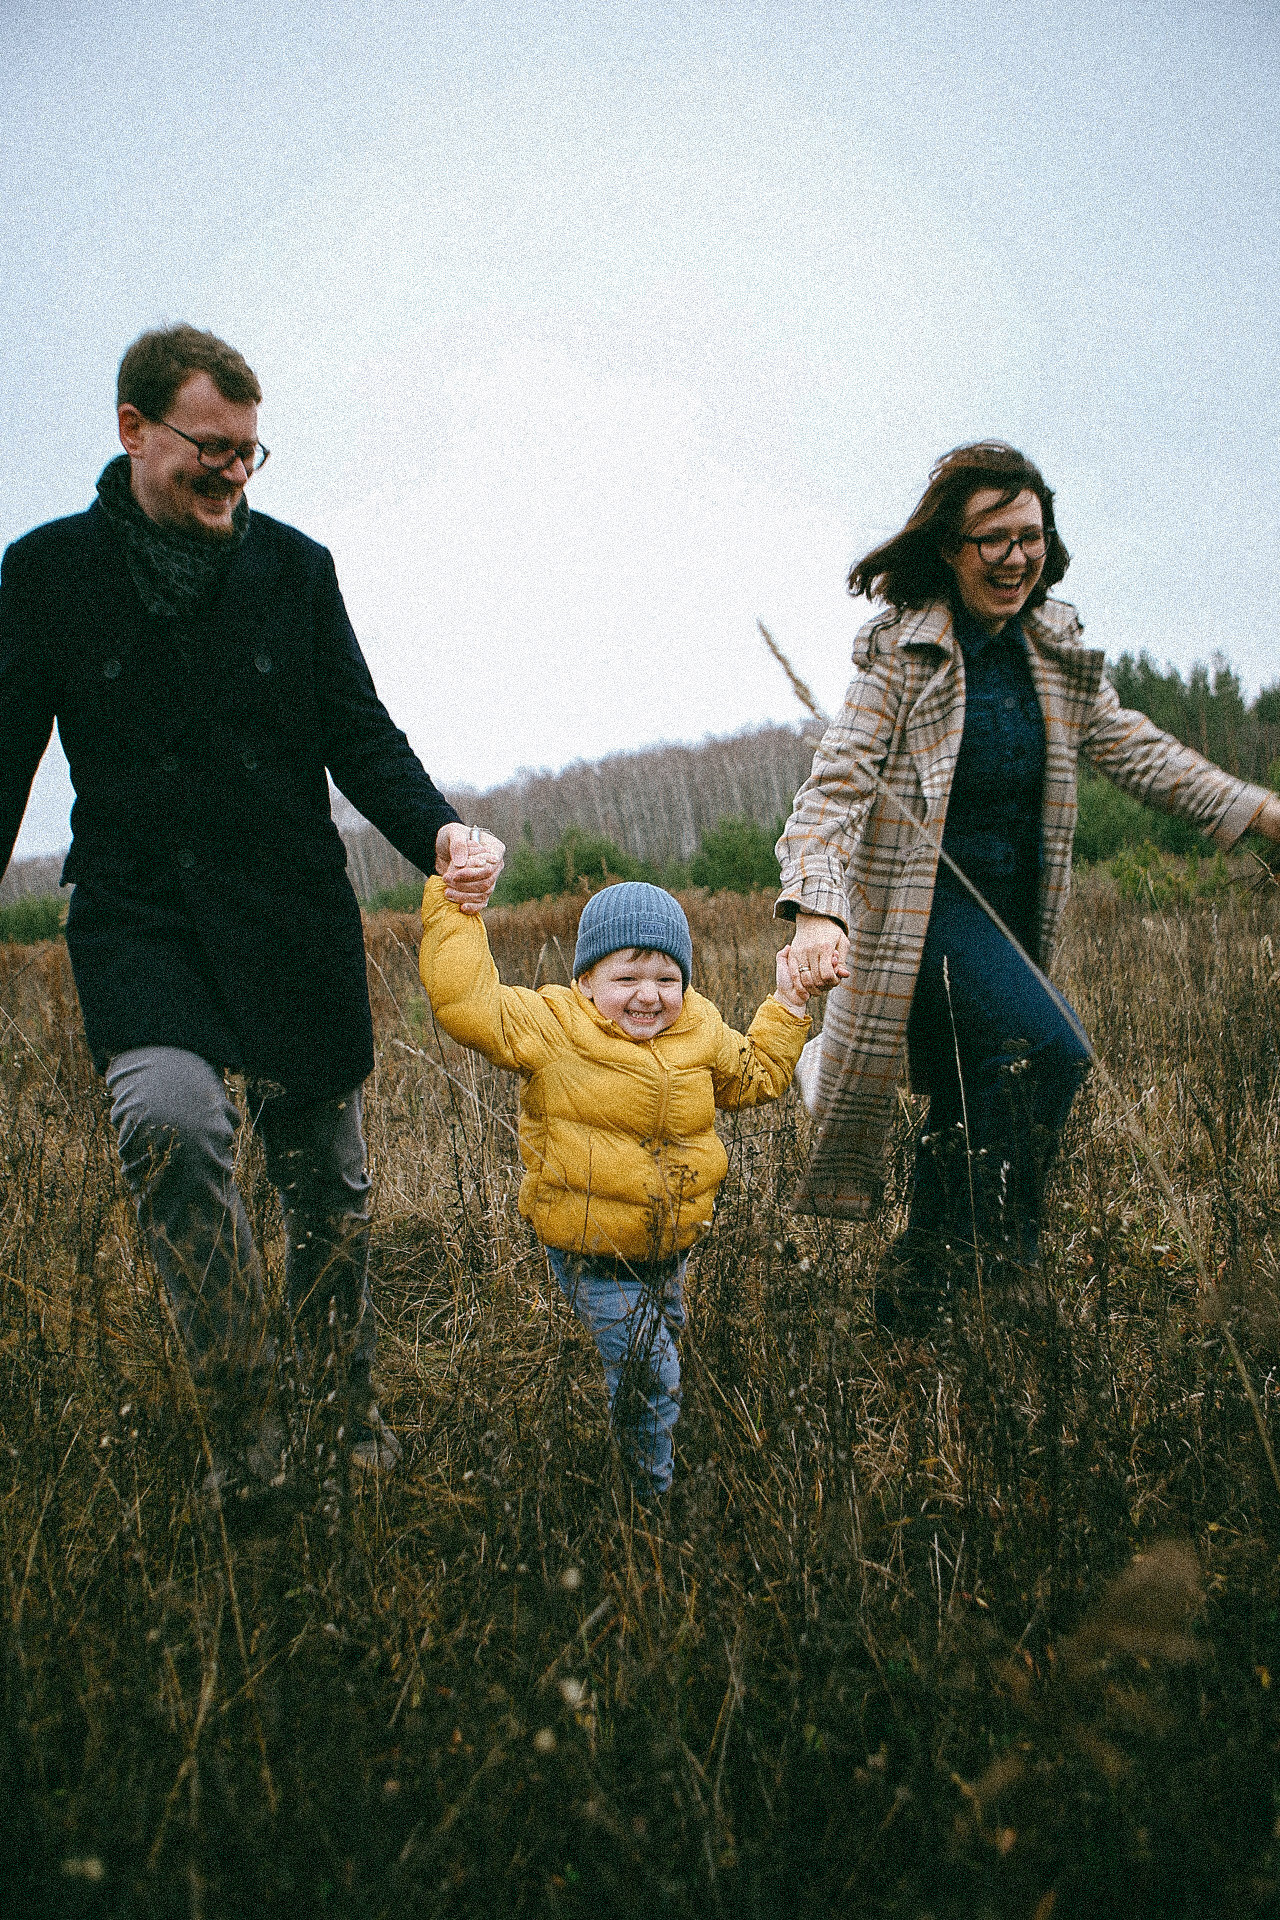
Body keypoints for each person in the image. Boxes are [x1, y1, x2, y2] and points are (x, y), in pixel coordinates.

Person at [0, 325, 504, 1491]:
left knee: (323, 1184)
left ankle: (345, 1416)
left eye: (250, 453)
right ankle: (248, 1423)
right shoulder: (46, 576)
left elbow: (358, 732)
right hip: (141, 918)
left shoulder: (296, 569)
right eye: (209, 448)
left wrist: (438, 832)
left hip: (287, 911)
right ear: (134, 431)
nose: (233, 472)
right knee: (171, 1125)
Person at [776, 441, 1280, 1337]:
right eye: (991, 540)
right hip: (923, 921)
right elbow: (833, 792)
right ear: (948, 549)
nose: (1014, 558)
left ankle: (920, 1289)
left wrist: (1259, 811)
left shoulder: (1052, 651)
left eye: (1030, 537)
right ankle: (1006, 1259)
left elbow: (1139, 751)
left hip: (1010, 916)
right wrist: (818, 910)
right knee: (1058, 1050)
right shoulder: (905, 657)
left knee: (974, 1094)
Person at [419, 878, 811, 1497]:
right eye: (626, 977)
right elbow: (470, 1005)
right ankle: (651, 1502)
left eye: (666, 977)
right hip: (590, 1254)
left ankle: (645, 1450)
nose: (648, 997)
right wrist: (455, 907)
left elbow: (755, 1075)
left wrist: (788, 1006)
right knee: (651, 1371)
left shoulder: (700, 1030)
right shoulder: (554, 1027)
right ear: (585, 982)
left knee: (658, 1357)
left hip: (670, 1250)